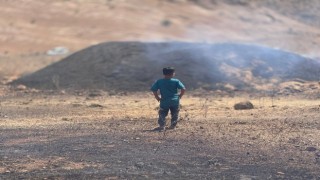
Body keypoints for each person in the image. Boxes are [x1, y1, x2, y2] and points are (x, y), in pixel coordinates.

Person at [150, 67, 186, 131]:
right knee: (175, 114)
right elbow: (183, 89)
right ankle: (172, 126)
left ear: (164, 74)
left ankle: (162, 126)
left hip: (164, 101)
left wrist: (157, 97)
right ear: (172, 74)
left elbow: (154, 89)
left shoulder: (160, 81)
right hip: (175, 101)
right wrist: (180, 95)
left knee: (162, 113)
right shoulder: (176, 81)